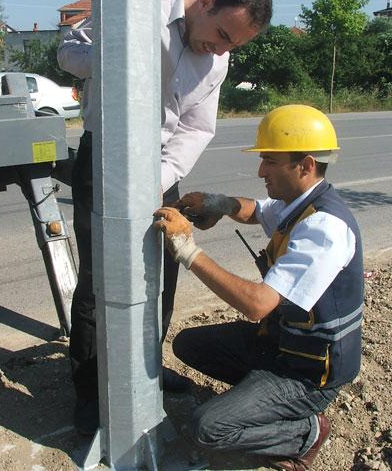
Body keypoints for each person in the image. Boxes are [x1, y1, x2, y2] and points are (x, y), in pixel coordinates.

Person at [57, 0, 272, 435]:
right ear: (206, 3)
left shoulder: (217, 62)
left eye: (232, 45)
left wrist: (158, 179)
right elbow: (67, 54)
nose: (220, 50)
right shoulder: (136, 8)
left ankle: (145, 375)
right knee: (100, 280)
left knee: (163, 277)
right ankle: (92, 396)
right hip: (106, 157)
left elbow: (196, 128)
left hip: (160, 173)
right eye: (220, 35)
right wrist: (114, 55)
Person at [154, 104, 363, 470]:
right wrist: (217, 203)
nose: (260, 171)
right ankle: (258, 400)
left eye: (270, 161)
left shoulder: (324, 229)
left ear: (306, 165)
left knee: (207, 428)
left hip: (309, 374)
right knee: (188, 344)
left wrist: (187, 249)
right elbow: (255, 211)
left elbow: (257, 305)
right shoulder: (299, 203)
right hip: (281, 345)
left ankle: (305, 431)